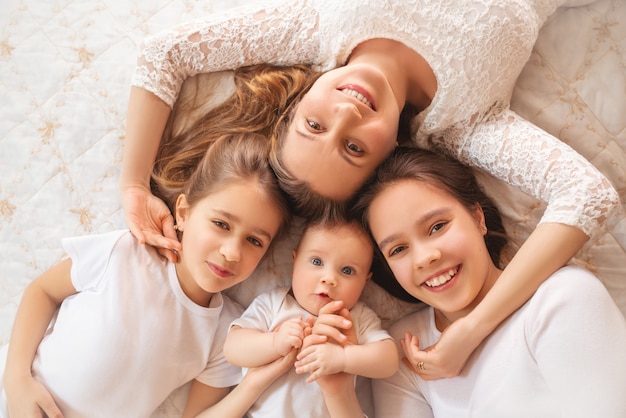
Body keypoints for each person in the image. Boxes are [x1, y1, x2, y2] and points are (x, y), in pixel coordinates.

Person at [121, 0, 621, 379]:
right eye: (355, 149)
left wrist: (134, 184)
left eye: (314, 126)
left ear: (297, 105)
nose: (345, 115)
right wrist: (471, 329)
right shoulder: (465, 124)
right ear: (390, 154)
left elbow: (165, 53)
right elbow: (589, 194)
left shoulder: (320, 29)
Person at [0, 134, 296, 417]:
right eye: (221, 223)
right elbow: (42, 291)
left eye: (254, 241)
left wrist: (254, 384)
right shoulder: (126, 252)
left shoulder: (227, 333)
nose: (232, 252)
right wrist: (15, 381)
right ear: (183, 212)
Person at [350, 146, 626, 417]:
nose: (424, 258)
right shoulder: (399, 349)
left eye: (437, 227)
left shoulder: (563, 298)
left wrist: (471, 331)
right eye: (397, 250)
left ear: (477, 217)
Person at [223, 216, 399, 417]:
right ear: (295, 260)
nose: (330, 278)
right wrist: (274, 342)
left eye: (347, 270)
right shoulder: (275, 303)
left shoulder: (354, 317)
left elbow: (389, 361)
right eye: (317, 261)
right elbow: (232, 348)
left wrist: (344, 358)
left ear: (365, 281)